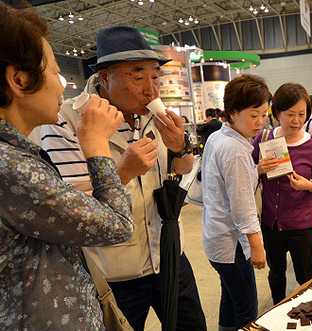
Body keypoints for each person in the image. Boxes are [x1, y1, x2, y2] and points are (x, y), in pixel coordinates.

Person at [35, 26, 206, 330]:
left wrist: (180, 146)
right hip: (112, 272)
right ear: (104, 78)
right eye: (137, 77)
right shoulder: (65, 121)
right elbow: (74, 208)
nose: (150, 89)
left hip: (167, 251)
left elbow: (182, 170)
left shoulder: (156, 113)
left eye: (155, 76)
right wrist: (124, 170)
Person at [0, 4, 133, 329]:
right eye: (56, 72)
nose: (62, 85)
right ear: (19, 79)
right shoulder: (11, 166)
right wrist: (96, 143)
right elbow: (117, 225)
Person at [201, 74, 270, 330]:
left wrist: (257, 169)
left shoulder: (218, 138)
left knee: (230, 301)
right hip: (232, 245)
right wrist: (257, 247)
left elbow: (225, 185)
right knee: (246, 310)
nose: (261, 122)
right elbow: (242, 206)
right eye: (254, 115)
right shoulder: (236, 149)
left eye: (264, 114)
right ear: (232, 112)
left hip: (216, 240)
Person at [252, 83, 312, 304]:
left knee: (305, 275)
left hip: (301, 225)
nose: (296, 121)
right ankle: (277, 310)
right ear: (277, 113)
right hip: (271, 224)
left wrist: (308, 185)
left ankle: (311, 312)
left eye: (301, 114)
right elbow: (249, 172)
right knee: (275, 274)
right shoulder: (264, 138)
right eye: (290, 114)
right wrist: (259, 169)